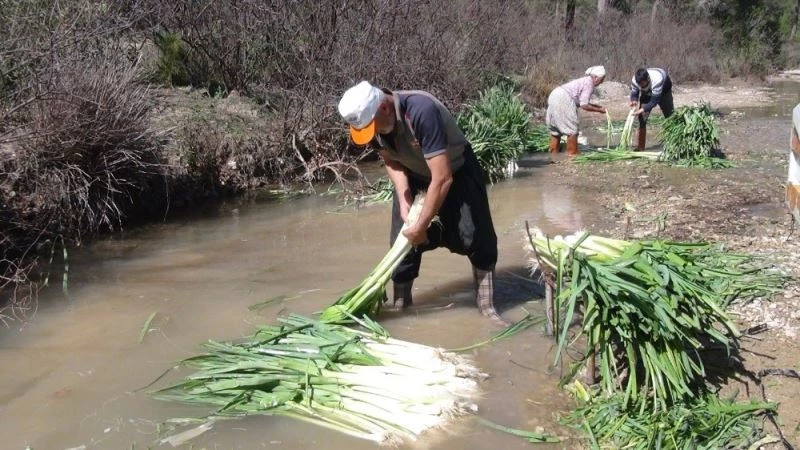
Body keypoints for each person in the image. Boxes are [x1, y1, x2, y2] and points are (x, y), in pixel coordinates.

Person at [337, 81, 507, 325]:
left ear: (384, 108)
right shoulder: (373, 124)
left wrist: (422, 225)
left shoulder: (420, 111)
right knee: (401, 242)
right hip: (414, 174)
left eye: (372, 127)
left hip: (455, 171)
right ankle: (401, 307)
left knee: (476, 236)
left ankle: (487, 306)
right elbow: (390, 160)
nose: (371, 133)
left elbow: (443, 177)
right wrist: (404, 195)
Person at [545, 66, 607, 160]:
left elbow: (581, 101)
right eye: (601, 79)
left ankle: (554, 154)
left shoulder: (584, 81)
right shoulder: (589, 83)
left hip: (554, 95)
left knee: (556, 131)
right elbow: (584, 105)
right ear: (595, 77)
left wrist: (597, 107)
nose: (602, 82)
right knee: (572, 130)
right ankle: (572, 154)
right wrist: (599, 110)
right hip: (563, 98)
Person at [629, 67, 674, 150]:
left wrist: (643, 109)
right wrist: (634, 100)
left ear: (648, 79)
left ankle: (673, 144)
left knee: (670, 117)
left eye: (642, 83)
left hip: (664, 91)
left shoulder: (657, 79)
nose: (640, 85)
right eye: (639, 84)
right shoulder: (635, 80)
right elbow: (634, 93)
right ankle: (641, 146)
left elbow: (654, 101)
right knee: (641, 119)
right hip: (647, 93)